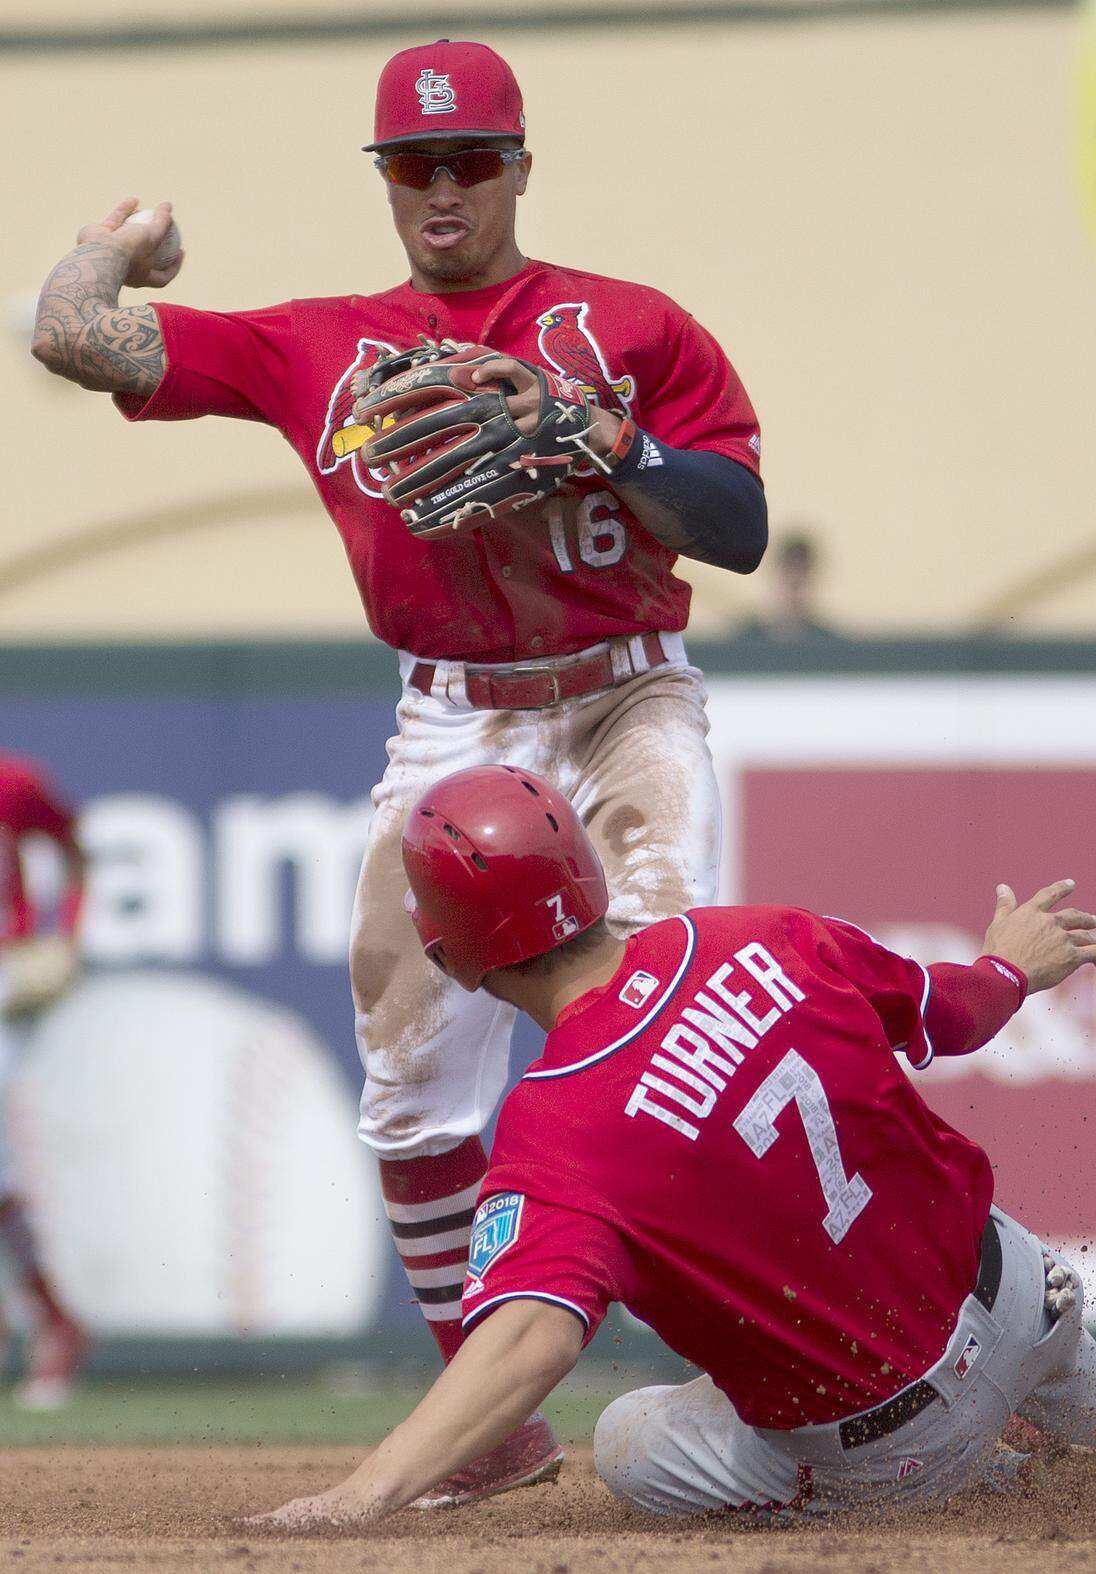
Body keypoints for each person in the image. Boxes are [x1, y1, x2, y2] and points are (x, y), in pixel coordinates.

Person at [29, 38, 766, 1502]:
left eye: (470, 159)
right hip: (451, 717)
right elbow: (70, 336)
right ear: (385, 180)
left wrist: (604, 437)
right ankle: (485, 1427)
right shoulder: (324, 343)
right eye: (413, 164)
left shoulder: (628, 324)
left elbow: (736, 526)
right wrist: (118, 244)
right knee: (409, 1076)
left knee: (673, 1024)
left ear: (519, 166)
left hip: (625, 702)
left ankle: (768, 1373)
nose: (442, 188)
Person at [257, 763, 1096, 1527]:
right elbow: (954, 1012)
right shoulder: (756, 934)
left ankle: (993, 1476)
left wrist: (360, 1496)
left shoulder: (556, 1127)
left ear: (451, 957)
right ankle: (1085, 1429)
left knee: (630, 1442)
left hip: (902, 1445)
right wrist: (1008, 970)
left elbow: (529, 1344)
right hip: (1029, 1299)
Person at [0, 753, 88, 1408]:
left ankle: (52, 1321)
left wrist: (68, 938)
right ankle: (51, 1317)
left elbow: (74, 848)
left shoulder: (14, 782)